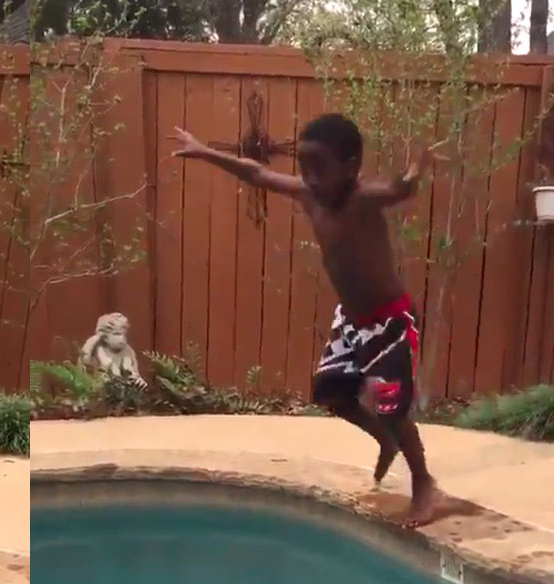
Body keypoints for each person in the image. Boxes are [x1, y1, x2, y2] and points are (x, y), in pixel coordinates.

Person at [172, 113, 444, 527]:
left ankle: (424, 483)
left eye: (321, 166)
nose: (310, 176)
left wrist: (414, 171)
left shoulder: (364, 198)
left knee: (391, 404)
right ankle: (384, 440)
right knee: (332, 392)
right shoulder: (308, 195)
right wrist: (205, 151)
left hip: (389, 321)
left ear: (351, 167)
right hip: (352, 320)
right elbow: (256, 173)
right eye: (304, 165)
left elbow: (399, 188)